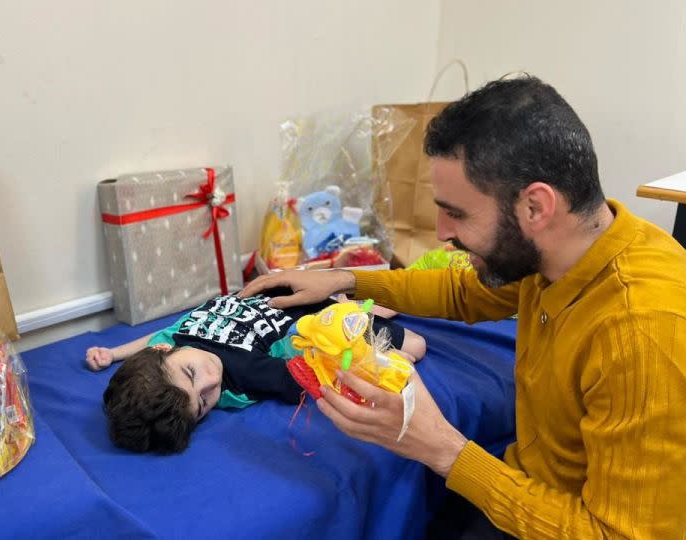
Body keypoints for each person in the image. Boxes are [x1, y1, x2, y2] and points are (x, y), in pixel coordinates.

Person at [239, 76, 686, 538]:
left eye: (457, 212)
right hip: (524, 489)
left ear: (535, 207)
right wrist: (345, 279)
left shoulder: (642, 333)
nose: (440, 232)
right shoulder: (565, 252)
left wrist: (444, 449)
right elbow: (463, 291)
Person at [86, 289, 426, 453]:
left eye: (191, 374)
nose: (211, 380)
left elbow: (151, 342)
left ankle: (345, 295)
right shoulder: (243, 378)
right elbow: (311, 377)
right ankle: (347, 305)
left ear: (164, 350)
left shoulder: (171, 337)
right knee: (416, 347)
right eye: (203, 402)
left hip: (273, 292)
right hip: (309, 320)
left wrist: (114, 352)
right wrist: (374, 365)